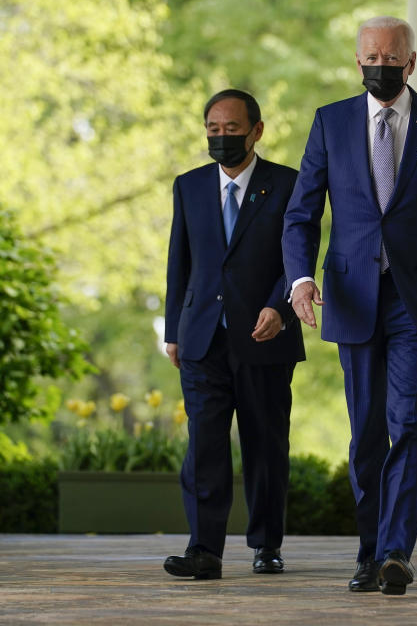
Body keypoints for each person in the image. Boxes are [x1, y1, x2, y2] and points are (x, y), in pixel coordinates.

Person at [282, 16, 417, 595]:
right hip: (350, 296)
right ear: (357, 61)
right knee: (367, 433)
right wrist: (298, 279)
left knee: (412, 422)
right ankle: (369, 552)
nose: (380, 65)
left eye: (390, 57)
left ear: (411, 62)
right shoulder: (330, 122)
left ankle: (397, 552)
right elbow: (302, 213)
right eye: (370, 56)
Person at [163, 89, 304, 580]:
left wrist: (280, 308)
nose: (222, 138)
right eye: (213, 130)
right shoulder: (188, 186)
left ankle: (267, 546)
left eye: (232, 129)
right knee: (204, 445)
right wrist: (173, 330)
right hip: (202, 338)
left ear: (257, 130)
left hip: (265, 337)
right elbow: (179, 261)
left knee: (265, 447)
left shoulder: (288, 184)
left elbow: (299, 254)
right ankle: (204, 549)